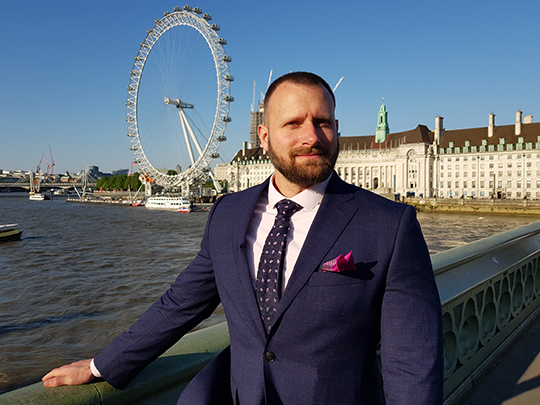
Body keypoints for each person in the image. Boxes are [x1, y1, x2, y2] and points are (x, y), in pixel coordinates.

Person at [43, 72, 443, 404]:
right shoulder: (228, 213)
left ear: (336, 129)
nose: (312, 136)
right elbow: (182, 304)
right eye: (293, 124)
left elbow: (412, 363)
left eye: (323, 122)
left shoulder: (389, 224)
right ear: (264, 137)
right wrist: (102, 365)